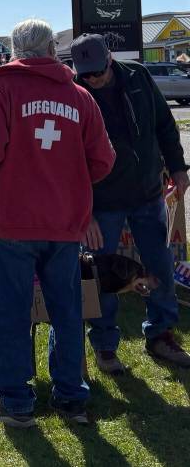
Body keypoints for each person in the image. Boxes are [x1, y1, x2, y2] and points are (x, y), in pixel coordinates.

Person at [0, 19, 115, 427]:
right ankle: (71, 399)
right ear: (52, 49)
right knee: (67, 311)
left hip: (12, 224)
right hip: (65, 225)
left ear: (16, 50)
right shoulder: (81, 97)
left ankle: (15, 402)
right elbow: (103, 160)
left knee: (12, 312)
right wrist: (68, 179)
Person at [71, 33, 190, 372]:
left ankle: (161, 334)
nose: (92, 79)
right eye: (86, 74)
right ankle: (105, 344)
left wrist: (178, 166)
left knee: (160, 265)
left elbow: (164, 125)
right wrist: (86, 211)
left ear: (109, 59)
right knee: (100, 274)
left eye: (97, 71)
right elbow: (71, 160)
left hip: (148, 193)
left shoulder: (138, 76)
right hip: (102, 201)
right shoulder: (76, 95)